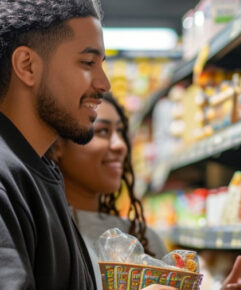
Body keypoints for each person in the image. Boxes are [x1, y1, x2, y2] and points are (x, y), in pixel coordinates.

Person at [0, 0, 175, 290]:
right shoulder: (6, 180)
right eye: (87, 62)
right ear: (27, 66)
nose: (104, 84)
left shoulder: (41, 174)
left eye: (102, 64)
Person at [50, 92, 168, 287]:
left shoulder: (146, 239)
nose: (120, 145)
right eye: (102, 131)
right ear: (57, 146)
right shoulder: (45, 235)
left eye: (121, 132)